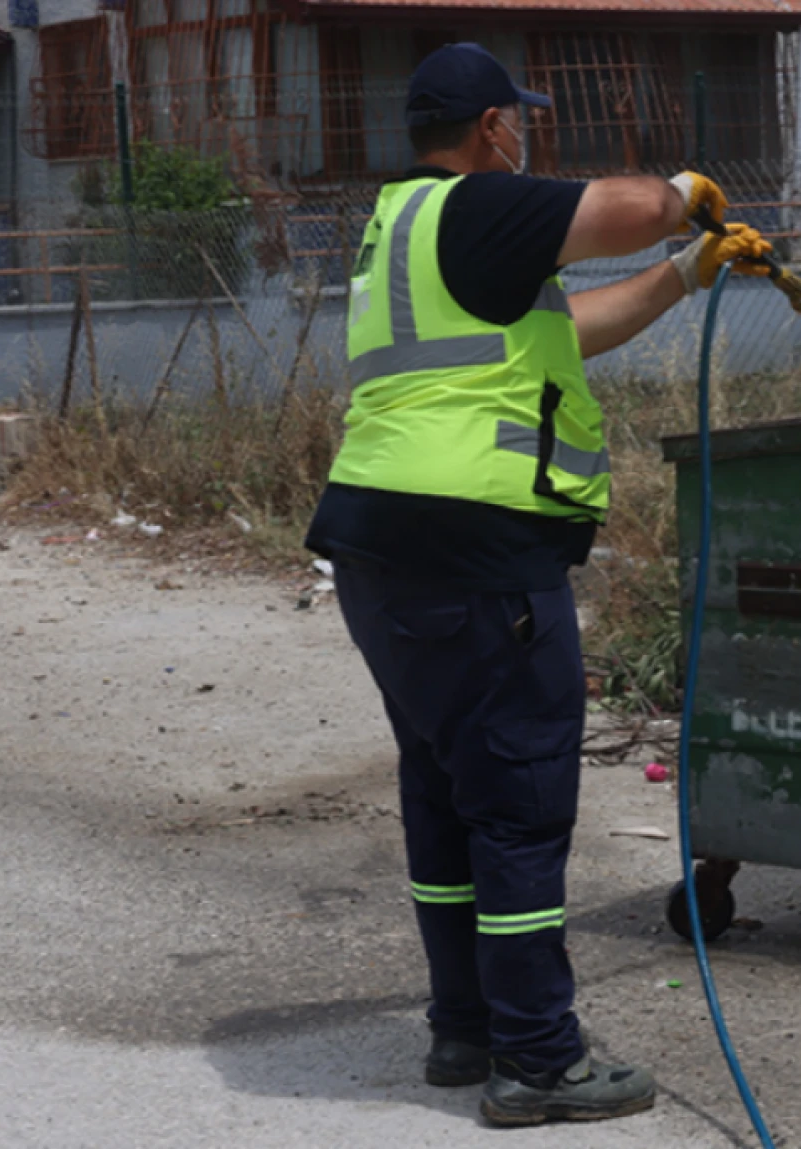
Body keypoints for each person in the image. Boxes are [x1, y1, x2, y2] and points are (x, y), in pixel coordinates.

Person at [304, 42, 772, 1128]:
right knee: (515, 803)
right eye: (514, 121)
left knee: (446, 792)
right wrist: (683, 198)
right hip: (474, 555)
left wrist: (685, 274)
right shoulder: (477, 205)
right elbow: (623, 206)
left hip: (383, 550)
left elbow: (567, 328)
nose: (521, 136)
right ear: (490, 130)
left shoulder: (407, 232)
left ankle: (462, 1028)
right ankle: (538, 1061)